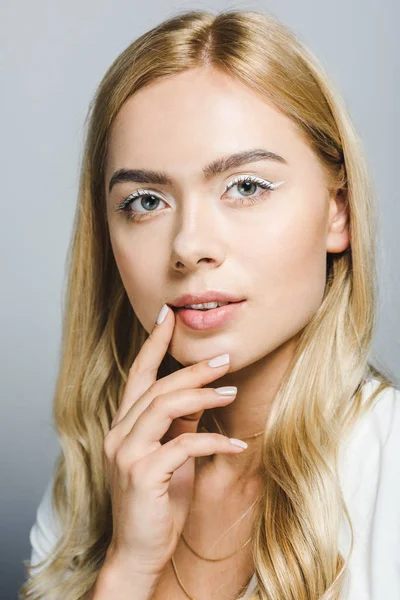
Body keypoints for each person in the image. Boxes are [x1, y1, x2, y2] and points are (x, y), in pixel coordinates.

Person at [19, 8, 400, 600]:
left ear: (338, 212)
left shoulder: (389, 470)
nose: (190, 246)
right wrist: (125, 570)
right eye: (145, 201)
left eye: (245, 186)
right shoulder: (97, 475)